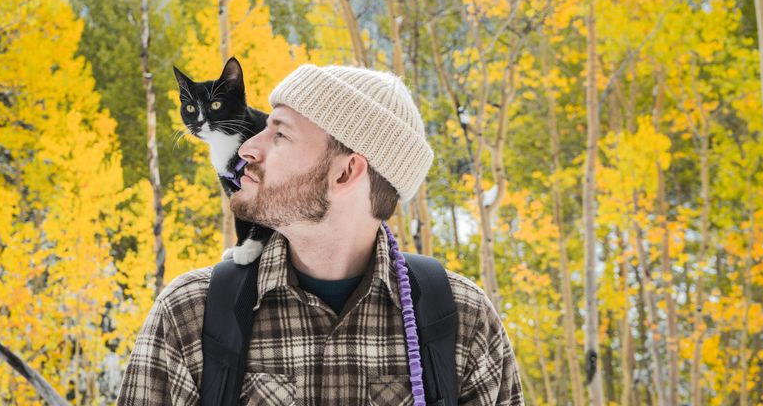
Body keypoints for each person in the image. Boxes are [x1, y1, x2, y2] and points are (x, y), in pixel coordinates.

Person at [117, 64, 523, 405]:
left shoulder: (462, 320)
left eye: (280, 134)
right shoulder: (191, 314)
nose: (247, 149)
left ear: (345, 173)